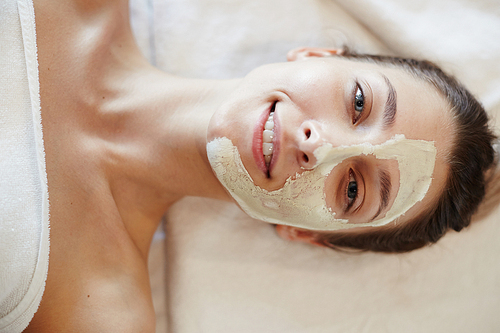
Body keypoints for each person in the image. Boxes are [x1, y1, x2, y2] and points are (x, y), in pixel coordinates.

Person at [1, 0, 494, 331]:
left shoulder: (100, 312)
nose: (320, 146)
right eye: (359, 103)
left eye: (352, 190)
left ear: (303, 233)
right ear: (315, 54)